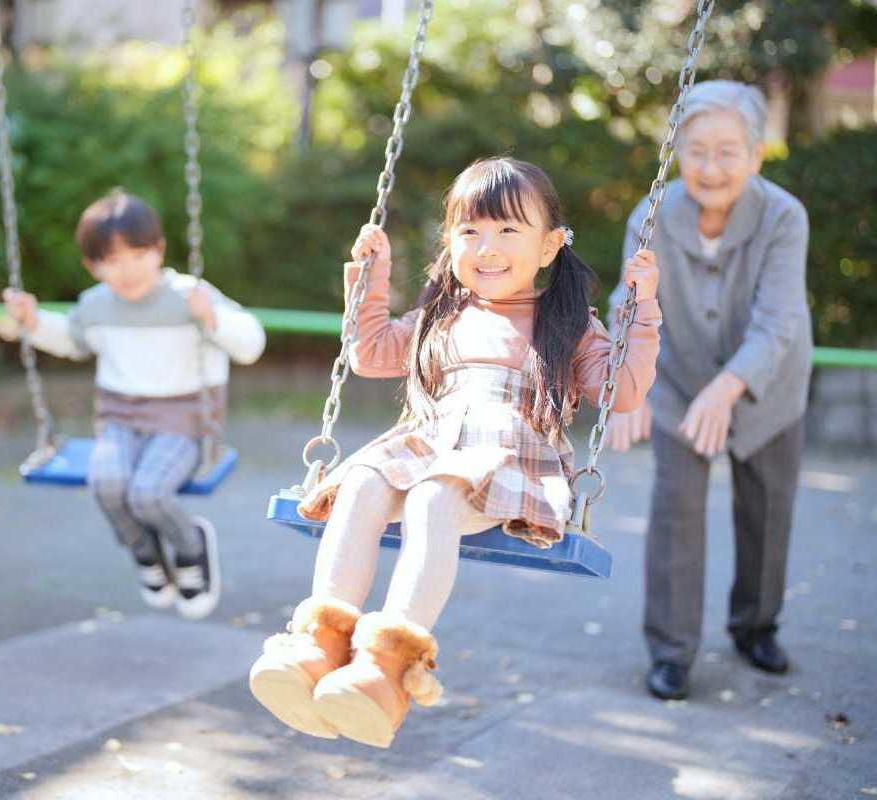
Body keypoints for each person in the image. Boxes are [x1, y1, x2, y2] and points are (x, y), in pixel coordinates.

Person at [249, 157, 662, 748]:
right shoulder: (440, 316)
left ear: (549, 246)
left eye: (508, 230)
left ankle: (386, 666)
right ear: (449, 242)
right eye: (470, 231)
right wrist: (372, 276)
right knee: (363, 481)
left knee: (432, 498)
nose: (487, 248)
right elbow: (370, 353)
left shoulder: (568, 323)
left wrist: (640, 313)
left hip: (508, 459)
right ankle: (322, 642)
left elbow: (620, 391)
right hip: (427, 444)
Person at [605, 80, 813, 701]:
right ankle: (671, 652)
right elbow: (627, 302)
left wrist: (726, 390)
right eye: (696, 151)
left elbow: (777, 323)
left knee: (766, 511)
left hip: (766, 386)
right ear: (678, 154)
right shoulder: (652, 215)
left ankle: (756, 627)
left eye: (728, 152)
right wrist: (627, 385)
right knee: (675, 511)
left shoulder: (784, 216)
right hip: (677, 382)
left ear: (756, 155)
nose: (711, 167)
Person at [2, 190, 265, 620]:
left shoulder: (190, 295)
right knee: (106, 485)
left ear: (159, 250)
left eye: (138, 255)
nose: (128, 270)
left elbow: (251, 344)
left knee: (147, 494)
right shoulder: (96, 305)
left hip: (183, 421)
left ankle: (190, 547)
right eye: (112, 260)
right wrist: (33, 321)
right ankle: (146, 551)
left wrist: (212, 318)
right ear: (93, 265)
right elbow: (71, 341)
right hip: (120, 419)